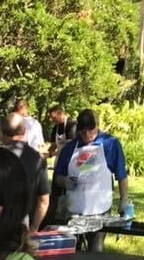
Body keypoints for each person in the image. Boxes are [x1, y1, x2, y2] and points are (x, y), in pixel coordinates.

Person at [54, 108, 128, 251]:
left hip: (100, 208)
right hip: (74, 209)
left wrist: (124, 199)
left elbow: (121, 175)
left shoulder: (110, 144)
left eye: (91, 130)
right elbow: (57, 177)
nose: (88, 135)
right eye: (83, 131)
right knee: (70, 251)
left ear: (98, 125)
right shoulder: (69, 149)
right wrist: (65, 181)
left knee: (95, 252)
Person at [0, 112, 50, 231]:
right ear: (24, 132)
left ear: (1, 133)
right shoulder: (38, 159)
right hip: (22, 222)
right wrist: (34, 228)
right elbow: (43, 201)